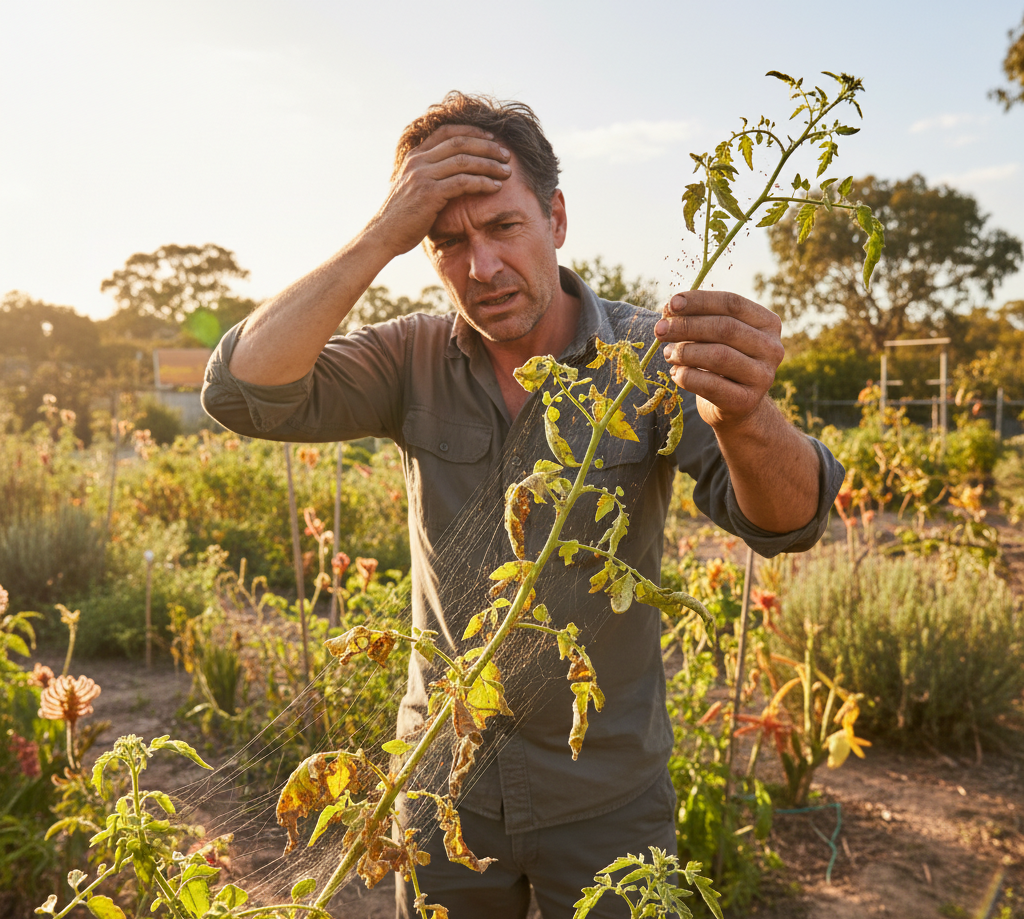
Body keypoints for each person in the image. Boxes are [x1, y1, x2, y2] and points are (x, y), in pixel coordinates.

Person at [202, 93, 843, 919]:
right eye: (447, 241)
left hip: (608, 799)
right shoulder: (410, 356)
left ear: (556, 218)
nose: (482, 267)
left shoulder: (650, 356)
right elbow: (241, 392)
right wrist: (382, 233)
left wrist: (746, 417)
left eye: (504, 226)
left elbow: (791, 521)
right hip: (443, 787)